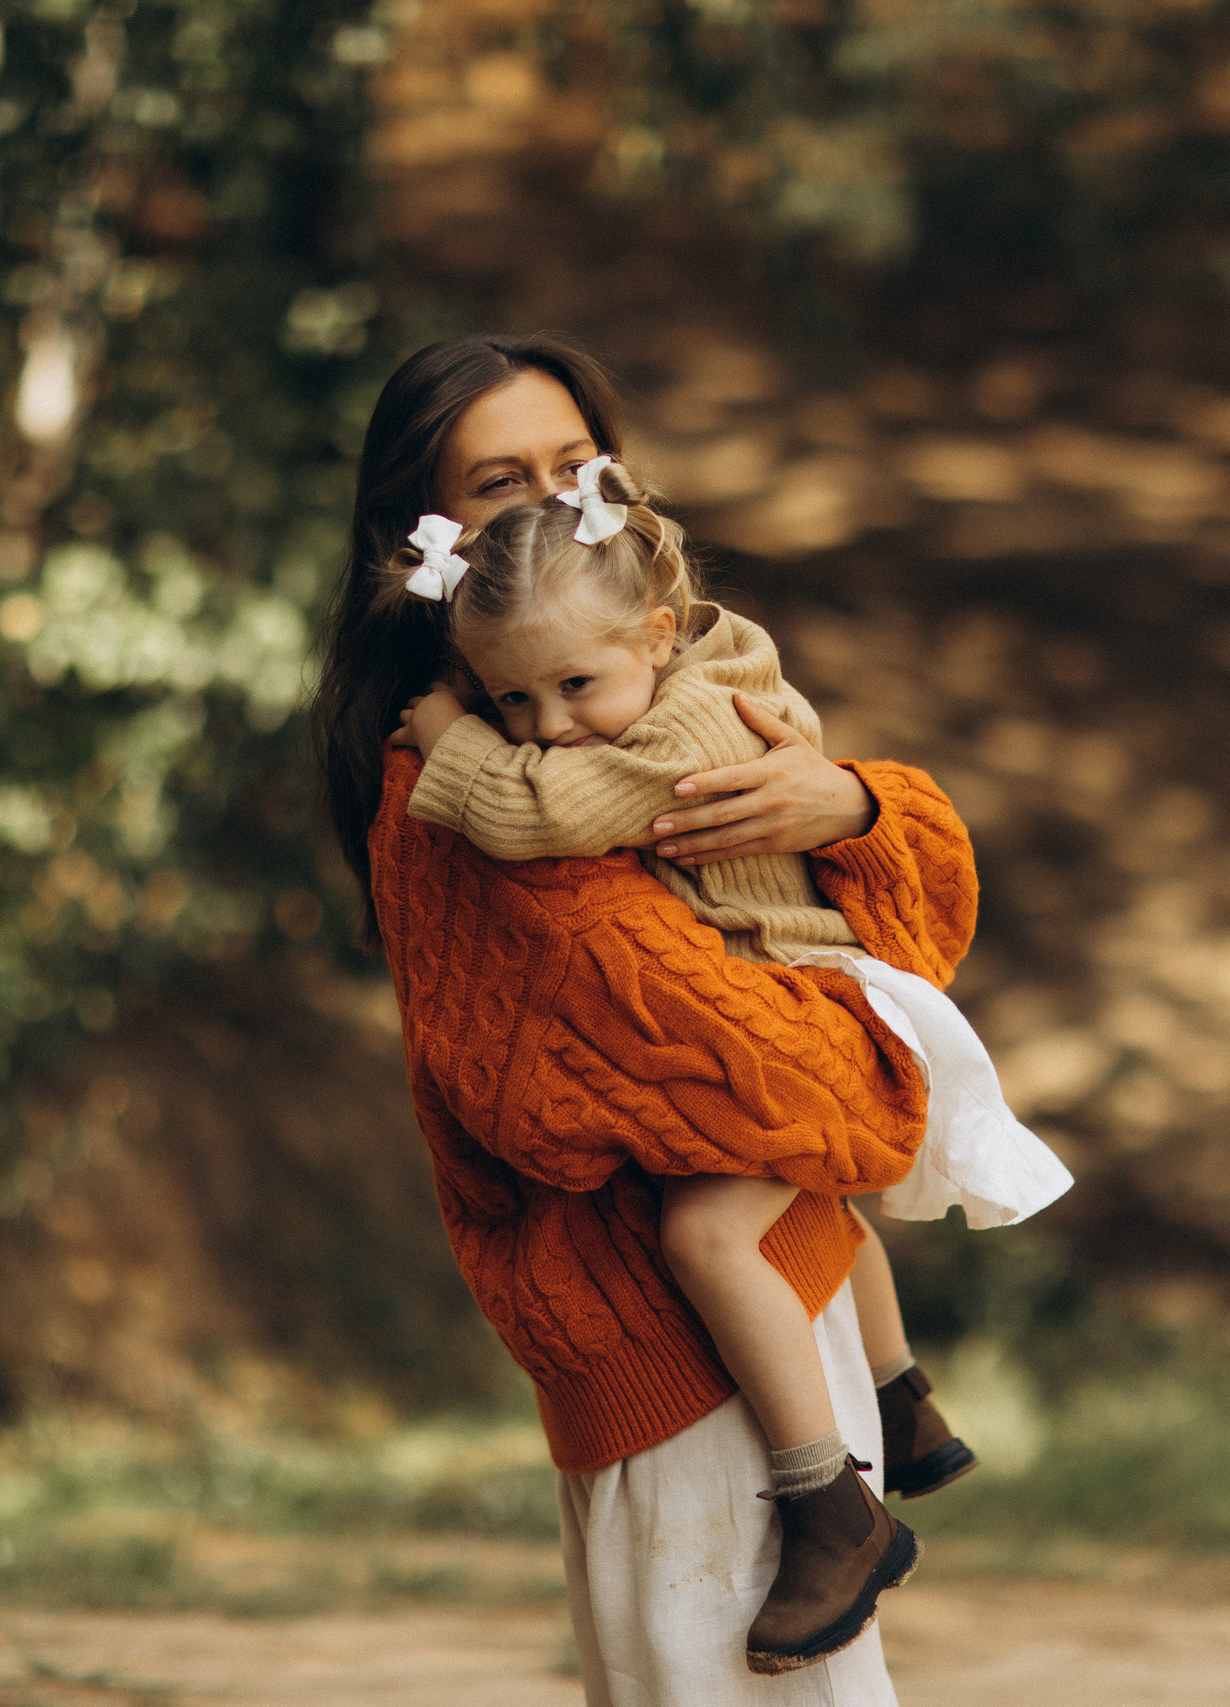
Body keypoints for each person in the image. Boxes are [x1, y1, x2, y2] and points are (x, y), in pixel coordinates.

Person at [314, 333, 985, 1703]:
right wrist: (843, 1075)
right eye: (503, 485)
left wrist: (848, 801)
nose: (556, 506)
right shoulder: (480, 773)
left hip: (763, 1324)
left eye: (578, 468)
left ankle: (887, 1416)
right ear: (425, 539)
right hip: (668, 1352)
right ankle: (878, 1433)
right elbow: (639, 1048)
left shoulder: (634, 698)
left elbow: (907, 881)